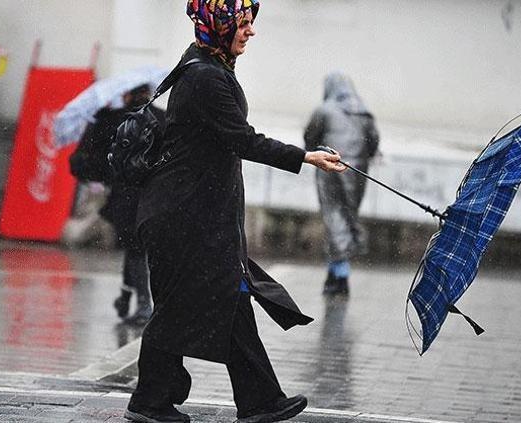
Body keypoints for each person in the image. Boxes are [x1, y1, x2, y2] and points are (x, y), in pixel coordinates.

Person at [124, 2, 346, 422]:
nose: (250, 31)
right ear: (219, 26)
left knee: (228, 298)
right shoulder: (206, 77)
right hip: (183, 218)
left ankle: (253, 400)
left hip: (193, 215)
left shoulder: (206, 63)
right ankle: (153, 401)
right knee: (191, 304)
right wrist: (305, 157)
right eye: (242, 23)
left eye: (249, 23)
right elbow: (243, 140)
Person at [70, 85, 163, 324]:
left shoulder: (116, 120)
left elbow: (96, 159)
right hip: (155, 196)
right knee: (137, 249)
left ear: (127, 94)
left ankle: (143, 304)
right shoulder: (162, 119)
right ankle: (128, 296)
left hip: (126, 196)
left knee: (134, 248)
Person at [303, 71, 379, 296]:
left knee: (333, 217)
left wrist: (316, 154)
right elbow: (373, 142)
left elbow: (310, 138)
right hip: (358, 171)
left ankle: (339, 274)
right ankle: (336, 270)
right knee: (348, 215)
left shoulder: (324, 110)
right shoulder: (364, 113)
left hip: (330, 169)